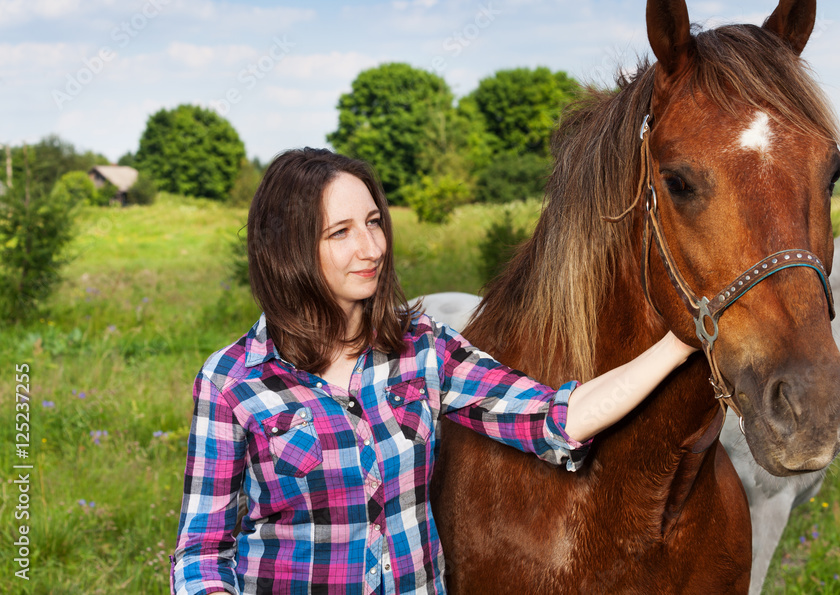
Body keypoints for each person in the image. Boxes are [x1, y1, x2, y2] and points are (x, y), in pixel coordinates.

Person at [170, 148, 696, 595]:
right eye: (341, 232)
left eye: (375, 222)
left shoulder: (421, 348)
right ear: (288, 249)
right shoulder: (232, 381)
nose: (371, 248)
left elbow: (557, 419)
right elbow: (200, 553)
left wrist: (680, 340)